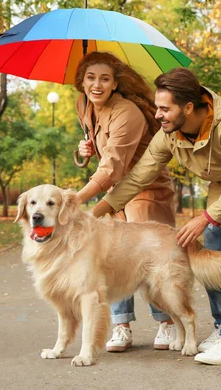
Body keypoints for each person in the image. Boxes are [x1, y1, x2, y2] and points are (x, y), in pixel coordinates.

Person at [91, 67, 221, 365]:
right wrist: (94, 213)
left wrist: (203, 217)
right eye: (158, 107)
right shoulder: (169, 134)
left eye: (164, 108)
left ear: (189, 107)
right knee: (212, 243)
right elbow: (136, 179)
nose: (158, 114)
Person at [73, 52, 177, 352]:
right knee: (110, 260)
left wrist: (76, 200)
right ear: (81, 82)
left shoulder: (127, 112)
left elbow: (112, 168)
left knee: (151, 259)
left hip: (144, 191)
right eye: (90, 77)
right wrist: (85, 151)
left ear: (115, 83)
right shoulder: (84, 105)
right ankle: (122, 327)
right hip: (113, 195)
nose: (97, 84)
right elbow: (102, 158)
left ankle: (167, 323)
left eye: (105, 78)